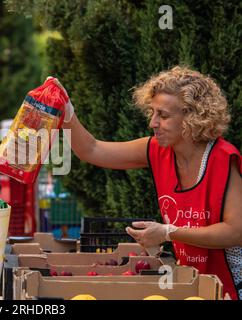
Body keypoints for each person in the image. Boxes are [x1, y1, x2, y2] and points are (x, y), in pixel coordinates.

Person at [57, 66, 242, 300]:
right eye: (152, 113)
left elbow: (236, 232)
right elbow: (92, 149)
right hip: (195, 285)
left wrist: (168, 233)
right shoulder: (156, 149)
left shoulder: (223, 159)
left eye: (163, 115)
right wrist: (66, 113)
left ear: (192, 117)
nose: (153, 123)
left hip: (232, 286)